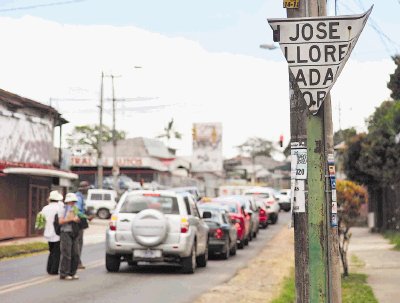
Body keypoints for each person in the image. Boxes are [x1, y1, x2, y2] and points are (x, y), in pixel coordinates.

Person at [39, 190, 64, 275]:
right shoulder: (59, 208)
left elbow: (42, 220)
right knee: (57, 252)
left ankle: (49, 268)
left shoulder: (45, 208)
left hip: (48, 232)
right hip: (57, 233)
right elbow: (61, 221)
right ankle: (54, 270)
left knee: (51, 251)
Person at [59, 192, 81, 280]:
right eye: (71, 202)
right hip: (65, 232)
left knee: (75, 253)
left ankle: (73, 272)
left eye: (74, 202)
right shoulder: (63, 209)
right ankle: (64, 273)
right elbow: (60, 221)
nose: (73, 203)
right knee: (66, 253)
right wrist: (71, 219)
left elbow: (78, 219)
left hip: (74, 232)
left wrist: (78, 219)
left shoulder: (75, 209)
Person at [75, 180, 90, 269]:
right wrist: (86, 217)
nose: (88, 190)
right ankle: (77, 262)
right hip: (78, 222)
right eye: (87, 188)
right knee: (78, 242)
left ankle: (77, 261)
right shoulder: (78, 198)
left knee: (78, 242)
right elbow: (77, 211)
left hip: (80, 221)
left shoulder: (80, 197)